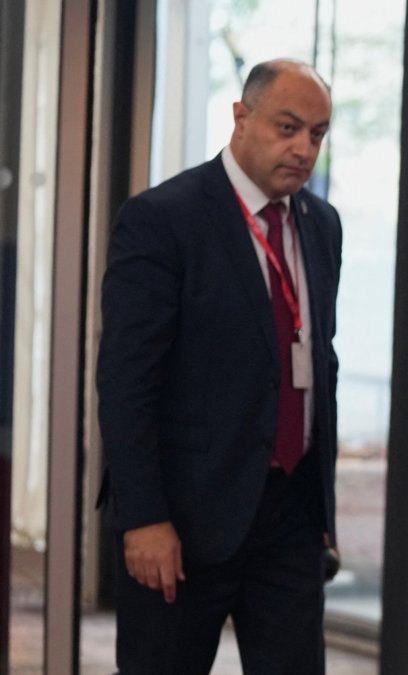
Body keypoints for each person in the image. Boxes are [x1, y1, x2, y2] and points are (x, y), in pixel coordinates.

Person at [96, 58, 342, 674]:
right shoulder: (164, 219)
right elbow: (127, 381)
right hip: (184, 517)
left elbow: (318, 363)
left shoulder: (321, 226)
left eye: (317, 134)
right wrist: (145, 518)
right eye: (288, 127)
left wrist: (323, 514)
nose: (303, 148)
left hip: (290, 514)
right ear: (241, 116)